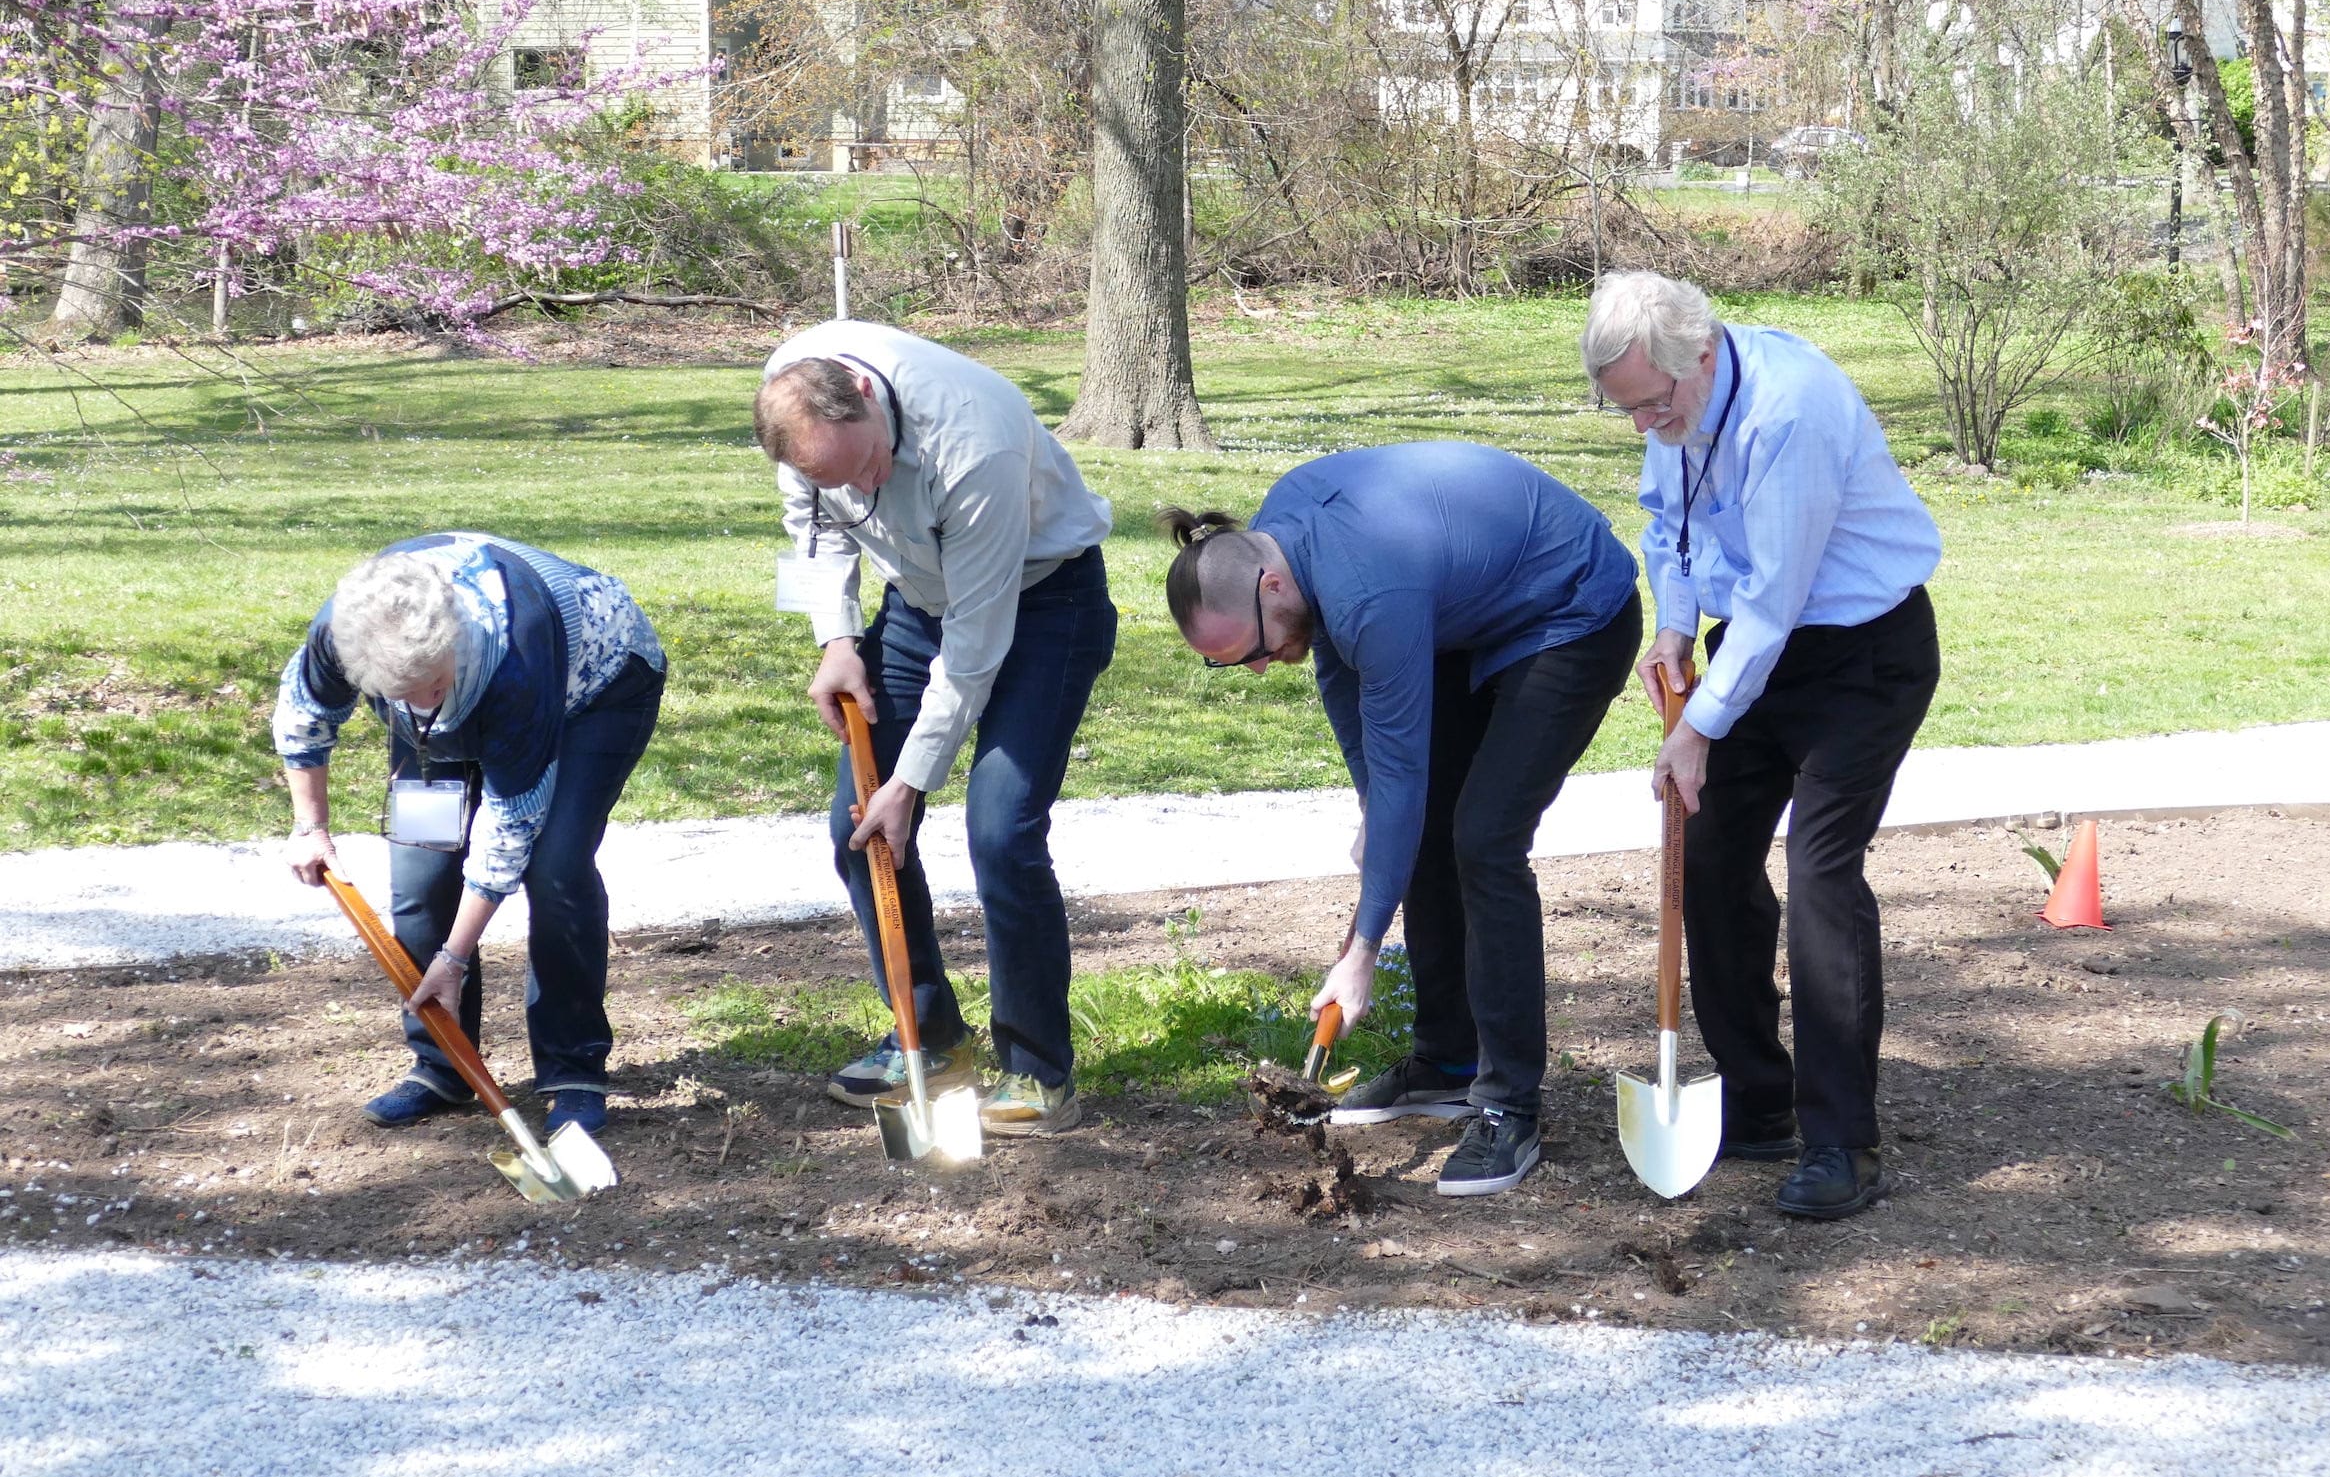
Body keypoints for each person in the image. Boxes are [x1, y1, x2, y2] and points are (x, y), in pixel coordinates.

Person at [1161, 442, 1640, 1197]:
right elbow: (1344, 691)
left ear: (1271, 583)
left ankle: (1510, 1104)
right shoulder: (1288, 550)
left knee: (1483, 840)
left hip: (1570, 609)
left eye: (1251, 651)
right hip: (1467, 615)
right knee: (1416, 828)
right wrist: (1370, 807)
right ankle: (1447, 1059)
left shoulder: (1366, 591)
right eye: (1233, 665)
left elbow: (1403, 769)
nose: (1255, 668)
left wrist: (1361, 952)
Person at [1584, 270, 1942, 1221]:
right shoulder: (1676, 404)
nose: (1644, 427)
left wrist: (1699, 727)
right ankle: (1757, 1098)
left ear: (1700, 356)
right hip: (1750, 647)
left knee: (1822, 873)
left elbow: (1778, 596)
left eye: (1653, 405)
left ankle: (1843, 1144)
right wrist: (1671, 623)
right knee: (1707, 858)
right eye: (1626, 411)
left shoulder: (1790, 411)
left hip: (1862, 656)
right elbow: (1671, 524)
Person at [756, 321, 1117, 1136]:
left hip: (1041, 604)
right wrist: (838, 641)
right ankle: (930, 1038)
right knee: (859, 825)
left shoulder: (973, 442)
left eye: (874, 464)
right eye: (850, 481)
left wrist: (911, 785)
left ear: (872, 408)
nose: (871, 486)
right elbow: (809, 532)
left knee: (1001, 830)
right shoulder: (799, 404)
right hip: (915, 603)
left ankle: (1037, 1071)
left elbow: (977, 644)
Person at [275, 535, 666, 1134]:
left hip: (594, 688)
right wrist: (311, 827)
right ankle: (444, 1066)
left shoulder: (515, 653)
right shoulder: (347, 633)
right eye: (399, 694)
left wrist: (452, 960)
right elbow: (305, 717)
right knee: (422, 873)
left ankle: (572, 1069)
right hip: (444, 719)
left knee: (555, 863)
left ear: (452, 643)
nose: (420, 700)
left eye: (430, 684)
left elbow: (510, 824)